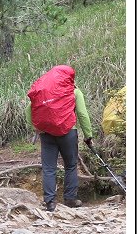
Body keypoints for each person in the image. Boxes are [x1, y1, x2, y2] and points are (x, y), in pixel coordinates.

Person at [25, 66, 93, 212]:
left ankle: (50, 202)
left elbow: (28, 110)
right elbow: (82, 115)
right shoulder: (74, 91)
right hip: (68, 133)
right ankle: (70, 199)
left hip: (46, 134)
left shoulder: (43, 92)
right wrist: (88, 136)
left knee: (49, 168)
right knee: (70, 165)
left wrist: (36, 127)